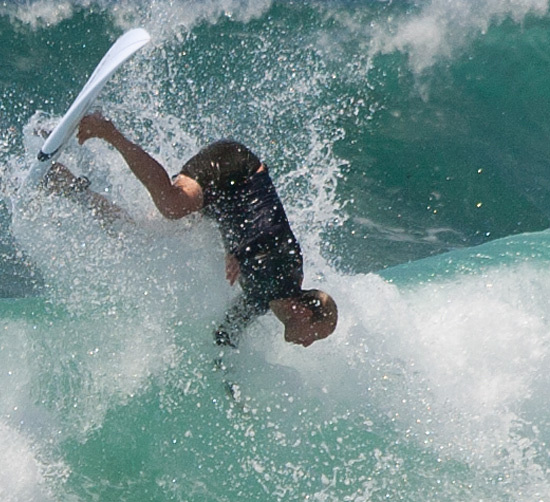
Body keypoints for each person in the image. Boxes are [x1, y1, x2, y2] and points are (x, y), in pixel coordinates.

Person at [42, 112, 337, 348]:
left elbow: (225, 334)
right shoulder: (288, 272)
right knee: (172, 206)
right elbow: (271, 229)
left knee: (136, 236)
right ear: (305, 313)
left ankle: (69, 187)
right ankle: (107, 130)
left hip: (219, 205)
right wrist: (237, 251)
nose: (308, 344)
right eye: (315, 334)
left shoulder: (262, 302)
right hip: (236, 171)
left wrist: (228, 379)